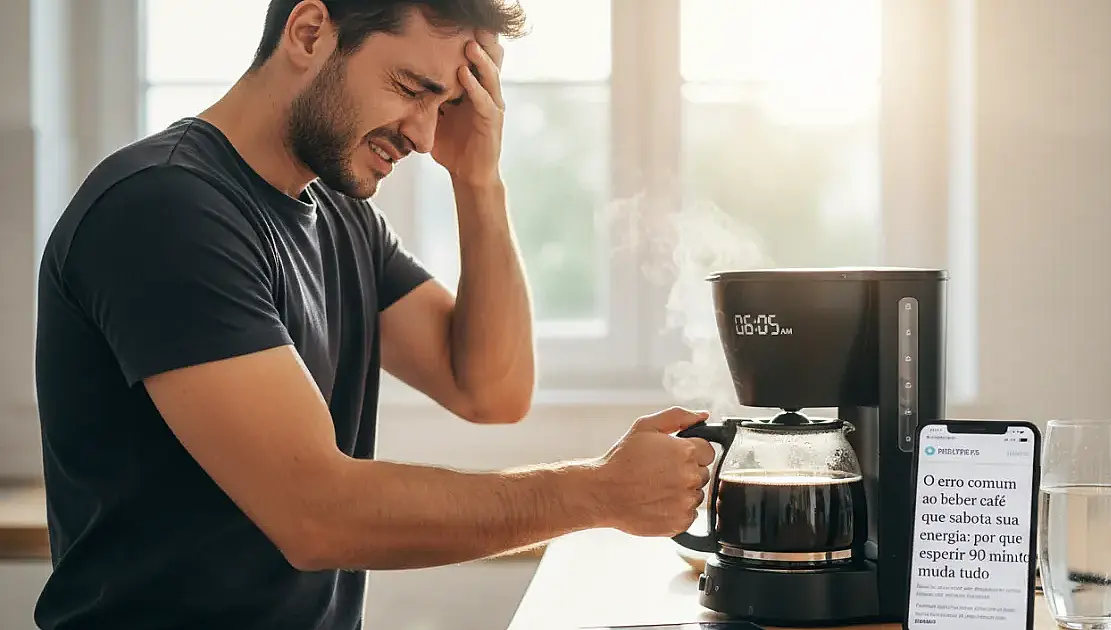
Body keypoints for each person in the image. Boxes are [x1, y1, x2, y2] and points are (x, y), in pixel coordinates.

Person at [32, 1, 716, 628]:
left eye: (445, 102)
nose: (423, 134)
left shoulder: (340, 219)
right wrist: (596, 493)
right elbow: (315, 514)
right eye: (413, 88)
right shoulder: (164, 209)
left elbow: (490, 389)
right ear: (309, 33)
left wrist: (478, 177)